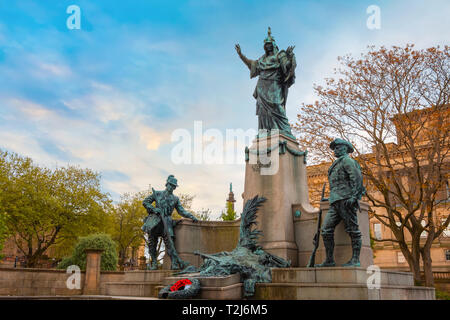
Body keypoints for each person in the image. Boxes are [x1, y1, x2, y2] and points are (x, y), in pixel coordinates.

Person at [235, 27, 296, 138]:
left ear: (273, 45)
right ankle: (264, 132)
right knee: (262, 111)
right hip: (262, 85)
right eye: (266, 45)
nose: (268, 46)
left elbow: (287, 67)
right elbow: (251, 64)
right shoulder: (262, 59)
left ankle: (283, 130)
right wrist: (241, 55)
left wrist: (290, 56)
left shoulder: (279, 55)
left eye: (269, 44)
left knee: (277, 106)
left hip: (274, 84)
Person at [315, 139, 365, 267]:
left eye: (337, 147)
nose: (335, 150)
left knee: (353, 230)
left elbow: (357, 178)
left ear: (344, 148)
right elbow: (337, 184)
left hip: (346, 200)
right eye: (334, 148)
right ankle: (329, 260)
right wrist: (330, 197)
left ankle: (355, 259)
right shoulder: (336, 164)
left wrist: (354, 196)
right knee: (326, 230)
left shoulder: (348, 161)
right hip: (335, 201)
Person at [142, 175, 198, 270]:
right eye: (171, 185)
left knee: (170, 243)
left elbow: (181, 211)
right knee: (152, 243)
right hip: (155, 221)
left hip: (167, 222)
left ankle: (174, 263)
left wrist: (191, 216)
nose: (172, 187)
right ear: (167, 184)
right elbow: (145, 202)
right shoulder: (158, 194)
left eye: (174, 186)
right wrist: (154, 209)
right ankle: (154, 263)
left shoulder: (175, 199)